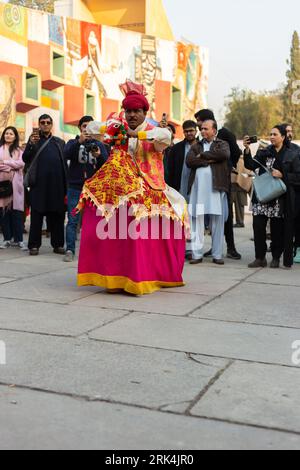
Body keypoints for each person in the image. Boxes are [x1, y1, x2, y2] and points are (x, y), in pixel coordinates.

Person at [77, 80, 188, 295]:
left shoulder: (154, 131)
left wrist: (137, 135)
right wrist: (114, 127)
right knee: (99, 218)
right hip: (121, 188)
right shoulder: (118, 128)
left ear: (145, 112)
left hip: (150, 187)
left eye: (136, 111)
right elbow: (90, 128)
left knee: (141, 234)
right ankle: (113, 275)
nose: (132, 115)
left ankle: (145, 275)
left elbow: (165, 137)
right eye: (128, 111)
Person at [243, 125, 300, 268]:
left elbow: (298, 176)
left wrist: (283, 175)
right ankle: (260, 257)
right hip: (262, 195)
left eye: (275, 134)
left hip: (280, 198)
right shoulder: (264, 151)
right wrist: (247, 150)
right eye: (270, 134)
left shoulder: (293, 153)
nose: (272, 137)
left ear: (283, 136)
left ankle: (276, 257)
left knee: (277, 230)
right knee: (258, 227)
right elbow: (251, 165)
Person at [194, 109, 241, 260]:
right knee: (206, 216)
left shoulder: (225, 135)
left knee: (223, 215)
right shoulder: (199, 140)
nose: (199, 126)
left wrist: (226, 166)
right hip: (203, 185)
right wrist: (208, 159)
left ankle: (230, 247)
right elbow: (191, 159)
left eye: (200, 122)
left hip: (221, 180)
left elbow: (233, 153)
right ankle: (214, 248)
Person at [63, 116, 108, 262]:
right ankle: (70, 249)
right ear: (80, 128)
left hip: (94, 189)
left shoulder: (99, 145)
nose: (87, 129)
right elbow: (66, 153)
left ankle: (94, 250)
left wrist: (99, 156)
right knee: (72, 220)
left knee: (95, 221)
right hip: (75, 187)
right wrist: (79, 142)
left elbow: (107, 164)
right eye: (84, 126)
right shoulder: (73, 142)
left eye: (90, 126)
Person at [186, 119, 230, 265]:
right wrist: (208, 160)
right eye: (201, 129)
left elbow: (223, 155)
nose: (202, 131)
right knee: (196, 220)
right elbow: (190, 161)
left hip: (216, 188)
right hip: (197, 189)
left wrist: (203, 155)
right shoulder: (197, 145)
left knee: (217, 222)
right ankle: (196, 254)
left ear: (214, 130)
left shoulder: (222, 144)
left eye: (205, 128)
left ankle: (217, 254)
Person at [23, 115, 67, 256]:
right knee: (36, 216)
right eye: (43, 123)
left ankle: (58, 244)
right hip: (39, 186)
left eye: (48, 123)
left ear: (52, 125)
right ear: (39, 125)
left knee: (57, 216)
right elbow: (25, 158)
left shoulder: (59, 142)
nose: (45, 125)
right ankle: (34, 246)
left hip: (57, 185)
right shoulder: (34, 141)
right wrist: (30, 144)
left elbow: (64, 163)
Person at [0, 126, 26, 250]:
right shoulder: (0, 149)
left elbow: (21, 163)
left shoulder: (19, 151)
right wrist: (11, 165)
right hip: (3, 185)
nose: (8, 135)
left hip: (16, 185)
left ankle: (19, 239)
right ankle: (6, 239)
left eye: (11, 133)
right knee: (4, 212)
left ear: (15, 136)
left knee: (17, 213)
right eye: (6, 133)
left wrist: (5, 162)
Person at [231, 149, 253, 228]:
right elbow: (247, 174)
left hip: (235, 185)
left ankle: (237, 222)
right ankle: (240, 221)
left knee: (232, 204)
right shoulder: (244, 160)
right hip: (243, 186)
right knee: (240, 205)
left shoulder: (237, 160)